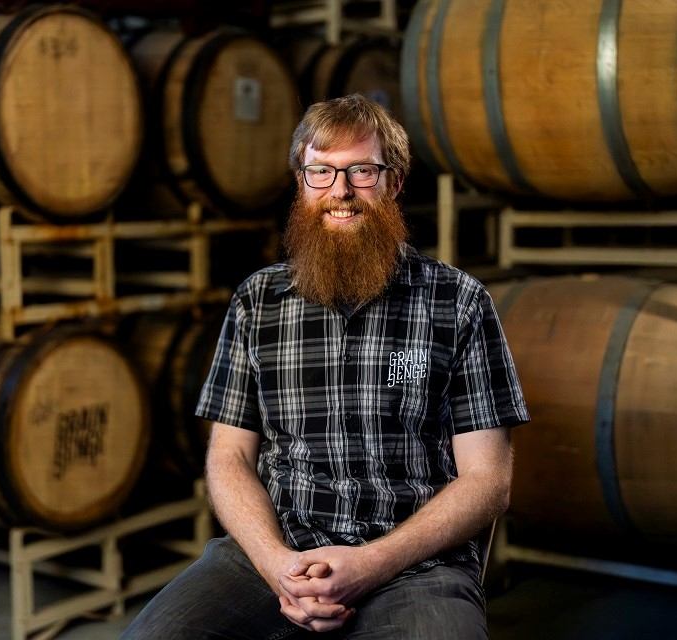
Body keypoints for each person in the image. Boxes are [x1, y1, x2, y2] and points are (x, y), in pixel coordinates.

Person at [122, 94, 530, 639]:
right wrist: (275, 565)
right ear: (301, 181)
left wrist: (372, 563)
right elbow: (228, 458)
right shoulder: (257, 300)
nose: (340, 191)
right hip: (275, 554)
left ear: (395, 182)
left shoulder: (458, 303)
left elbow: (488, 482)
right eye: (321, 171)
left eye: (362, 170)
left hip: (413, 568)